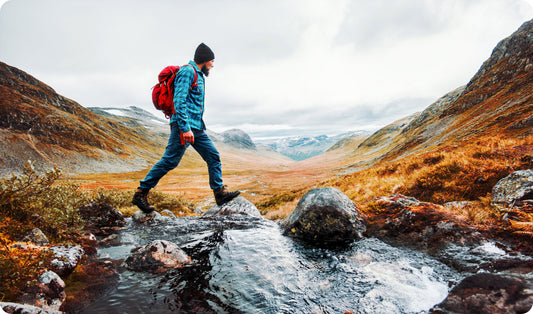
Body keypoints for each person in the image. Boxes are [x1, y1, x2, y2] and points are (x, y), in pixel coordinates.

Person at [132, 43, 240, 214]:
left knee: (213, 155)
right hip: (184, 126)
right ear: (204, 60)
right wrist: (185, 128)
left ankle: (219, 193)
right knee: (170, 161)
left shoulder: (199, 75)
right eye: (212, 61)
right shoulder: (187, 72)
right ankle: (141, 192)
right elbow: (179, 101)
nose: (212, 65)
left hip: (197, 127)